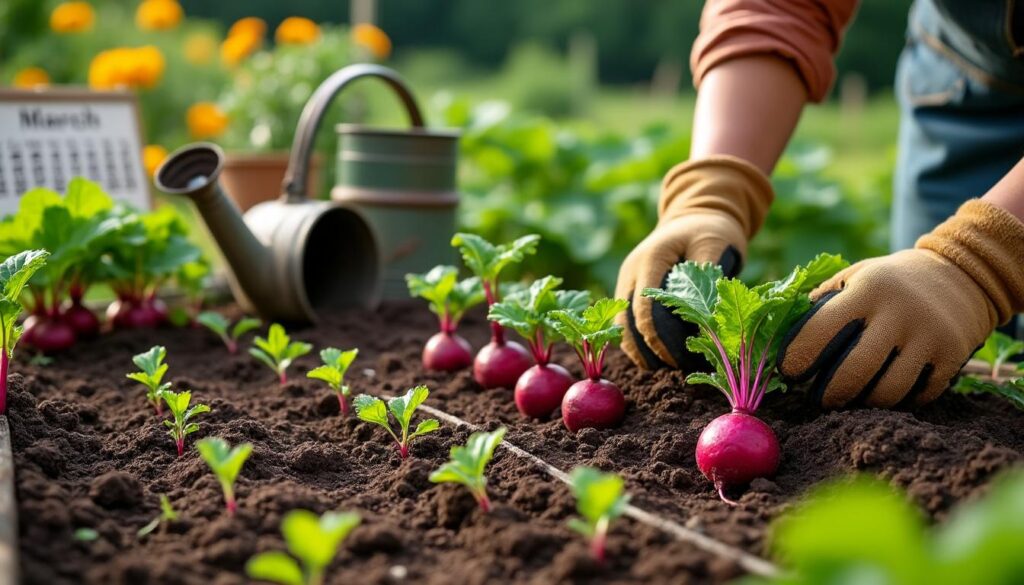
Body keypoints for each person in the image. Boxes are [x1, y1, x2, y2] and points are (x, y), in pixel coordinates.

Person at [616, 0, 1024, 409]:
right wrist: (712, 192)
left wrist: (982, 261)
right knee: (908, 362)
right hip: (965, 78)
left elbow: (979, 264)